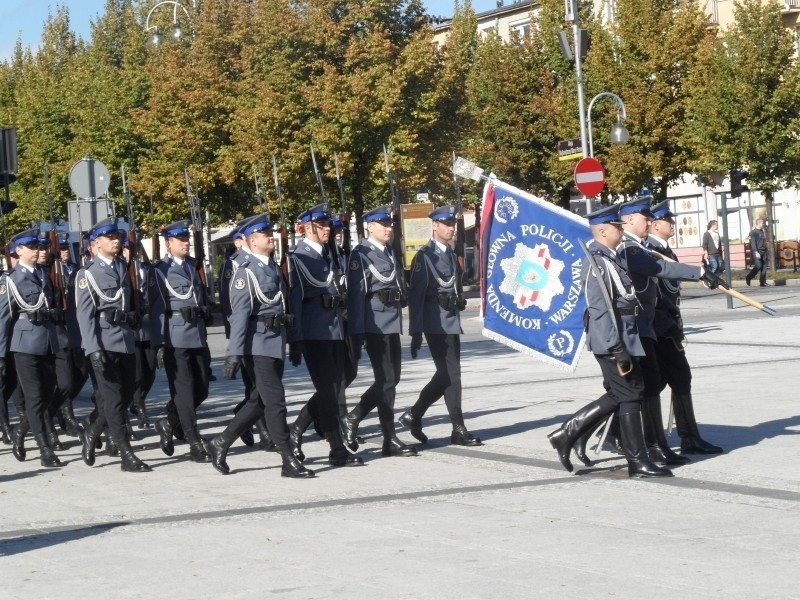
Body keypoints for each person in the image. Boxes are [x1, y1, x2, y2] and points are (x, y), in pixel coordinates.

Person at [548, 206, 672, 477]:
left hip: (624, 336)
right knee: (630, 395)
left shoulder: (610, 258)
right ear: (603, 232)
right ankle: (636, 461)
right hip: (612, 341)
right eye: (616, 226)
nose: (621, 228)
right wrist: (616, 348)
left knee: (624, 394)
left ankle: (567, 434)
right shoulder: (597, 262)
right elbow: (599, 310)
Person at [611, 195, 722, 467]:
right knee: (644, 386)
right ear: (630, 221)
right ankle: (620, 435)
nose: (652, 222)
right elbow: (658, 276)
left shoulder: (644, 248)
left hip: (659, 324)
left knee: (665, 381)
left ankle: (674, 438)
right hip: (650, 326)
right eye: (648, 218)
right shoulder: (631, 249)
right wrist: (698, 272)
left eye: (652, 217)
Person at [210, 214, 313, 478]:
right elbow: (239, 316)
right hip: (256, 345)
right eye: (265, 234)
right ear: (252, 241)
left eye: (270, 233)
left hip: (274, 341)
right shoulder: (245, 272)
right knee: (276, 401)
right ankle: (287, 458)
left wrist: (293, 341)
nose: (271, 237)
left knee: (258, 402)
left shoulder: (271, 268)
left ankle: (220, 442)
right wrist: (233, 353)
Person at [287, 203, 363, 467]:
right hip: (314, 331)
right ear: (308, 228)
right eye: (322, 225)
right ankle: (336, 449)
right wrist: (295, 338)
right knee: (328, 391)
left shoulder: (326, 254)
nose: (328, 229)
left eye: (328, 224)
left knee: (339, 382)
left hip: (335, 328)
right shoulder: (297, 257)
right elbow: (295, 300)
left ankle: (296, 429)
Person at [399, 205, 481, 447]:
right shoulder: (425, 256)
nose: (450, 228)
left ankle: (414, 414)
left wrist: (459, 300)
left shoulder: (449, 253)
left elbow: (452, 286)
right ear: (434, 225)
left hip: (452, 321)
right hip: (435, 323)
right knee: (450, 374)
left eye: (452, 224)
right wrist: (415, 332)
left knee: (448, 375)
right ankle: (457, 427)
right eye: (446, 224)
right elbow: (416, 296)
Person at [646, 201, 723, 455]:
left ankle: (688, 436)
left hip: (668, 325)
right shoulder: (648, 250)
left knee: (670, 380)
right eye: (668, 221)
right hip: (658, 328)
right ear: (655, 224)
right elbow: (655, 293)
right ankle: (685, 437)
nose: (673, 224)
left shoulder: (666, 249)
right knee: (668, 379)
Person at [74, 217, 151, 472]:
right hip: (103, 343)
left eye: (117, 237)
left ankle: (91, 431)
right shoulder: (87, 274)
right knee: (114, 399)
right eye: (110, 238)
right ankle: (125, 454)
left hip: (126, 341)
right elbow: (85, 316)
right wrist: (92, 348)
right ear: (95, 244)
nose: (116, 241)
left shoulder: (123, 267)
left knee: (126, 395)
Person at [342, 205, 417, 457]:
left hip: (391, 323)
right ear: (370, 227)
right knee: (387, 383)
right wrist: (358, 332)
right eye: (383, 225)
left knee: (391, 380)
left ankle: (353, 417)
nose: (388, 228)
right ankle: (389, 438)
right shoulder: (361, 255)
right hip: (373, 325)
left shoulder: (388, 253)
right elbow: (356, 297)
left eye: (390, 224)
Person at [150, 220, 214, 463]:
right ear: (169, 243)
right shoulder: (159, 271)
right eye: (180, 240)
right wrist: (158, 344)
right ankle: (194, 440)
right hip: (174, 337)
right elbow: (156, 310)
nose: (186, 243)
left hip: (196, 334)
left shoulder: (191, 267)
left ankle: (168, 422)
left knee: (203, 387)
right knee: (184, 391)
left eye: (187, 239)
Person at [0, 228, 63, 467]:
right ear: (19, 250)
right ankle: (45, 449)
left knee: (47, 394)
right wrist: (1, 355)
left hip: (47, 340)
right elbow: (3, 319)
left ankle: (20, 430)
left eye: (39, 247)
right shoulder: (10, 280)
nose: (38, 251)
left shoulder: (44, 274)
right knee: (35, 397)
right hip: (24, 344)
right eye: (32, 247)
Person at [746, 218, 768, 286]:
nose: (763, 224)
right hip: (757, 251)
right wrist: (756, 252)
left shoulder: (762, 231)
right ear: (758, 223)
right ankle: (749, 277)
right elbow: (753, 243)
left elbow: (764, 241)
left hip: (764, 251)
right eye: (762, 223)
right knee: (758, 266)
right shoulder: (753, 232)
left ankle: (762, 282)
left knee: (764, 267)